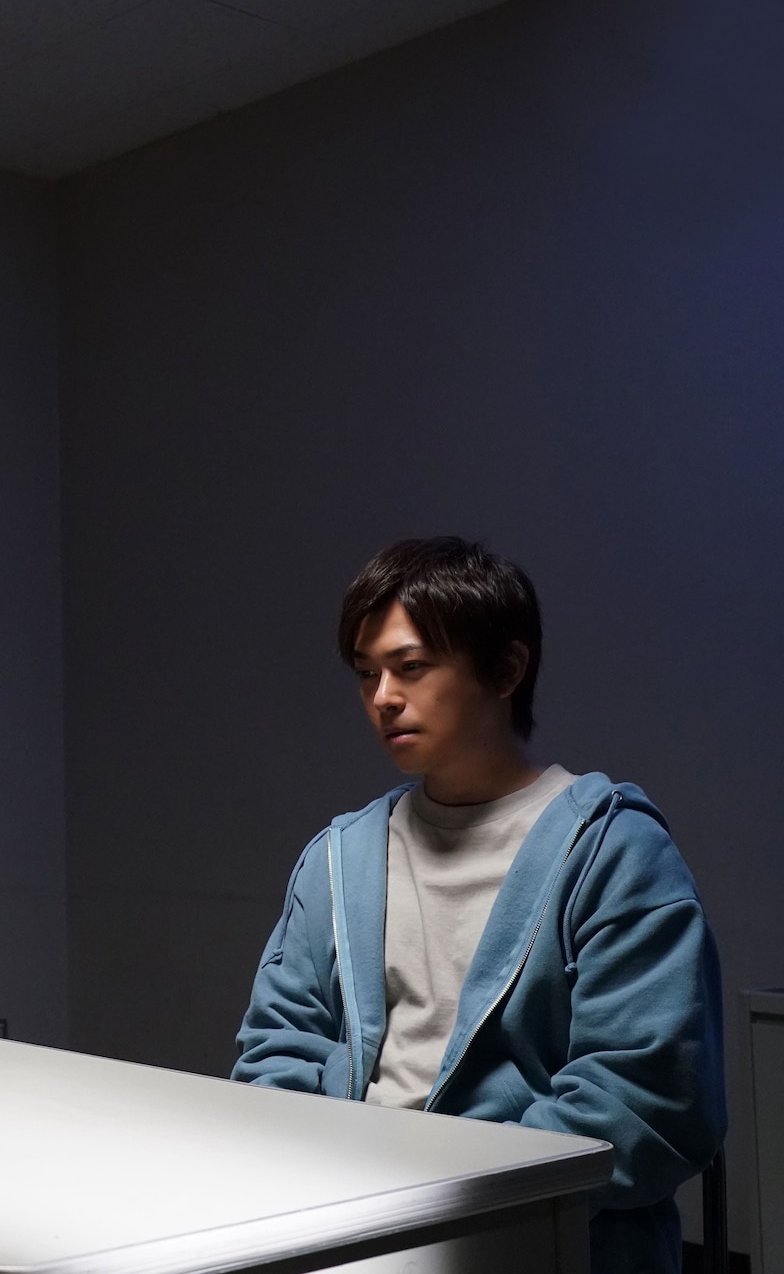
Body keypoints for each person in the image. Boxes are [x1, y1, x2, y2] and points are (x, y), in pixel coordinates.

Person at [232, 537, 723, 1273]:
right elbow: (277, 1053)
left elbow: (648, 1100)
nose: (382, 696)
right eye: (366, 673)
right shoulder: (340, 858)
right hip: (352, 1235)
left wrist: (442, 1203)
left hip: (543, 1246)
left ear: (507, 669)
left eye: (411, 666)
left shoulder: (612, 851)